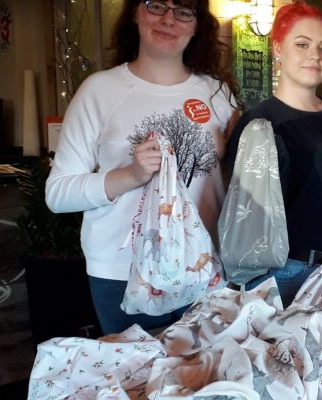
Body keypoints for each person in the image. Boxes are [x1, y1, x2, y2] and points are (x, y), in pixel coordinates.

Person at [46, 0, 239, 335]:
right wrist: (130, 176)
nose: (169, 19)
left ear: (197, 25)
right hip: (122, 272)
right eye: (156, 5)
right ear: (135, 12)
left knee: (207, 369)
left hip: (206, 269)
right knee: (136, 370)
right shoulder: (99, 91)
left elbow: (241, 184)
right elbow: (58, 193)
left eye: (183, 12)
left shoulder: (217, 94)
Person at [222, 0, 322, 311]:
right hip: (287, 273)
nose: (315, 55)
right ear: (278, 49)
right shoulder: (259, 122)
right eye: (302, 44)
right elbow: (243, 210)